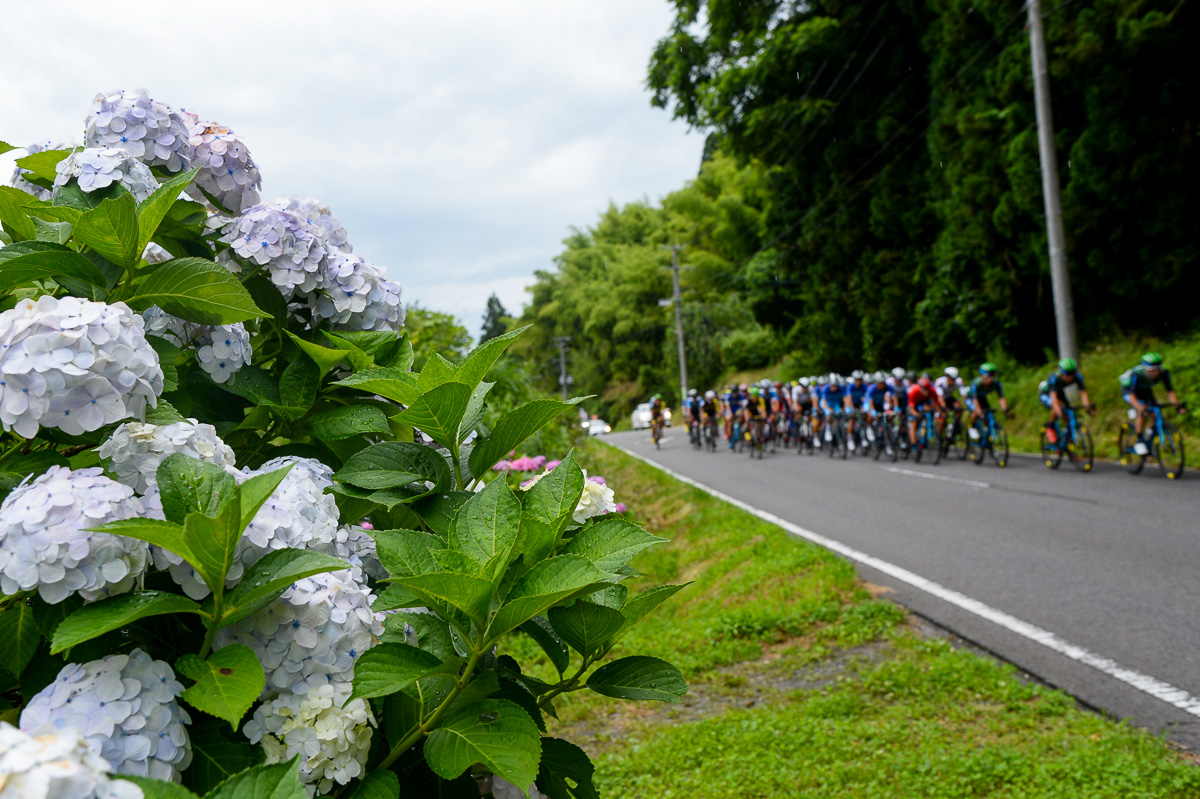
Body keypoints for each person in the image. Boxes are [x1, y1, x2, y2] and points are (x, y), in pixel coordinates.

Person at [1119, 353, 1186, 455]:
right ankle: (1140, 441)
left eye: (1157, 369)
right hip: (1130, 392)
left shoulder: (1163, 372)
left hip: (1145, 391)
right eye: (1152, 370)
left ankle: (1149, 434)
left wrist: (1177, 406)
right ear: (1145, 369)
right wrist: (1139, 407)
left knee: (1155, 412)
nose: (1155, 373)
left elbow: (1170, 391)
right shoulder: (1136, 374)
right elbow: (1131, 395)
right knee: (1142, 412)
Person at [1037, 358, 1091, 445]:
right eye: (1066, 374)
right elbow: (1053, 397)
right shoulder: (1054, 377)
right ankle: (1050, 428)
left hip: (1060, 394)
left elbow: (1083, 393)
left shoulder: (1078, 377)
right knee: (1056, 407)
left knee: (1068, 414)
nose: (1069, 377)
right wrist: (1059, 412)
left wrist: (1087, 407)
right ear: (1061, 372)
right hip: (1046, 394)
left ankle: (1067, 444)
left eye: (1071, 374)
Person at [967, 362, 1011, 439]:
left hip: (982, 398)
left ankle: (986, 431)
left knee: (988, 414)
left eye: (993, 375)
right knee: (976, 411)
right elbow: (975, 400)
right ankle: (972, 427)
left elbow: (1001, 397)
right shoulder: (976, 384)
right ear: (983, 376)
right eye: (989, 375)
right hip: (971, 398)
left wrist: (1005, 408)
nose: (992, 378)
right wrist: (980, 412)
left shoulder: (996, 383)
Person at [907, 373, 944, 446]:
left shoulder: (932, 391)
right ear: (920, 387)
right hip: (915, 404)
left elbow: (936, 405)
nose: (926, 392)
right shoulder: (913, 391)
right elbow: (911, 408)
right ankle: (913, 443)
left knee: (930, 412)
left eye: (927, 389)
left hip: (925, 403)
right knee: (914, 422)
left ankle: (928, 435)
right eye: (924, 389)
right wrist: (916, 414)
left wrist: (940, 412)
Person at [844, 370, 868, 451]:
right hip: (851, 404)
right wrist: (852, 408)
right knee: (851, 419)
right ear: (854, 380)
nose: (858, 381)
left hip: (860, 404)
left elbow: (867, 397)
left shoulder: (864, 387)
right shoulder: (850, 387)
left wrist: (864, 406)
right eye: (857, 380)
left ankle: (864, 435)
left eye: (860, 380)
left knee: (864, 416)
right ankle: (850, 439)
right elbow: (849, 398)